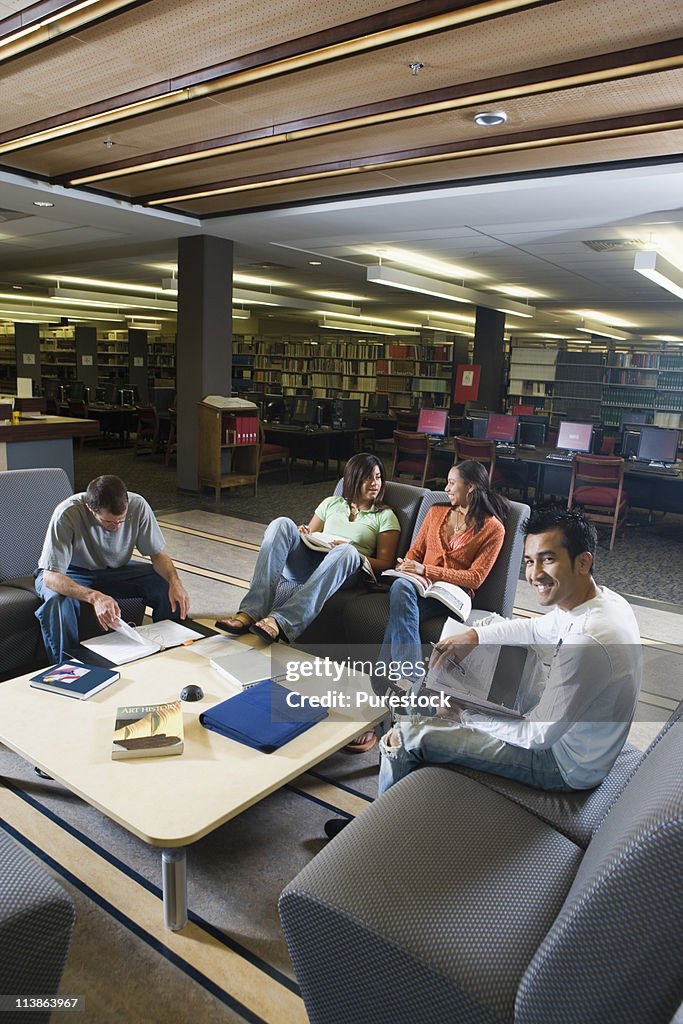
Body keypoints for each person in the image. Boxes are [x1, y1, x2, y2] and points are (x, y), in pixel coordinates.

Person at [377, 506, 642, 797]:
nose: (534, 574)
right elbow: (535, 629)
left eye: (548, 559)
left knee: (406, 737)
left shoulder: (587, 641)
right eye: (529, 562)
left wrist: (464, 716)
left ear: (583, 562)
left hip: (564, 764)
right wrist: (474, 635)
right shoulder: (602, 600)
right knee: (480, 645)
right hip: (573, 731)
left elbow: (536, 736)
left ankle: (373, 833)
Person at [216, 452, 400, 645]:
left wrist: (351, 550)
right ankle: (249, 613)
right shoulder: (332, 503)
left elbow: (386, 563)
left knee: (347, 551)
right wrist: (303, 532)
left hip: (346, 571)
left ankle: (281, 621)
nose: (375, 483)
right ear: (353, 479)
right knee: (282, 523)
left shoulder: (385, 516)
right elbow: (310, 532)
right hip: (311, 562)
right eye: (368, 477)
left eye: (378, 477)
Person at [375, 460, 508, 691]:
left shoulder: (493, 528)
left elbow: (475, 577)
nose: (446, 488)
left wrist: (426, 570)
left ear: (471, 487)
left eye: (451, 483)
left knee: (401, 604)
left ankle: (387, 681)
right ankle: (409, 682)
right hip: (419, 587)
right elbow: (415, 553)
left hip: (451, 597)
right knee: (401, 589)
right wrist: (406, 565)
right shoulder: (436, 512)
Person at [35, 474, 190, 663]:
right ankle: (66, 667)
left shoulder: (138, 505)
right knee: (58, 603)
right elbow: (50, 577)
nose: (116, 527)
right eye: (109, 522)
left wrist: (175, 581)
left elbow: (157, 555)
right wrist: (95, 597)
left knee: (164, 583)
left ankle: (173, 647)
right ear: (90, 508)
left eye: (121, 521)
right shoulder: (67, 513)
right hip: (70, 573)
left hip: (116, 570)